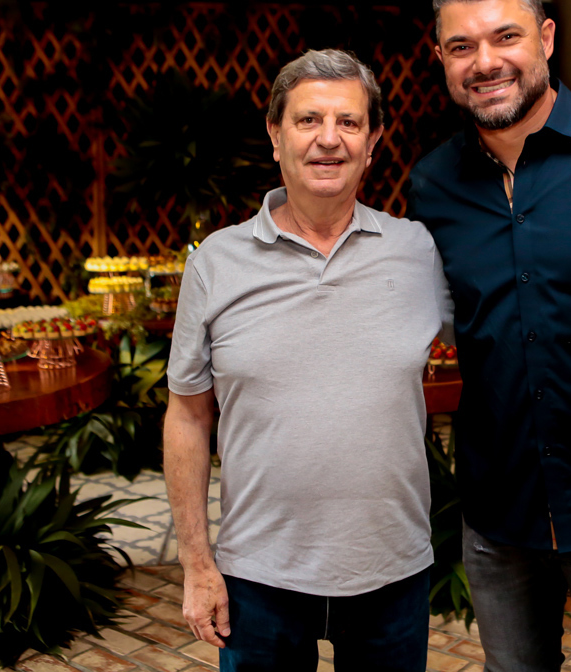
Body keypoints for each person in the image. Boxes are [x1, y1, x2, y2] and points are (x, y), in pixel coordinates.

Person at [164, 48, 454, 672]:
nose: (329, 139)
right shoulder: (215, 263)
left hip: (391, 573)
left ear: (373, 141)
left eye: (349, 122)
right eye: (308, 120)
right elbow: (187, 416)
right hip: (257, 579)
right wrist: (196, 564)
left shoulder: (417, 251)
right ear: (276, 135)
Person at [407, 0, 571, 671]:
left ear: (546, 38)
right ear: (441, 59)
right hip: (499, 509)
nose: (485, 62)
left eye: (506, 37)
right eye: (461, 46)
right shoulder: (432, 183)